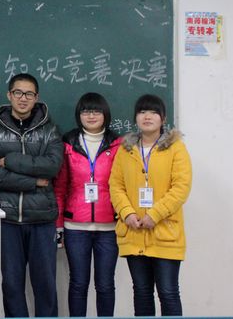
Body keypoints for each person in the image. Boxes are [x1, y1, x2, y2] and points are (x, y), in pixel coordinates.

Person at [0, 73, 63, 317]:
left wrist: (11, 160)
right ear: (9, 95)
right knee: (11, 285)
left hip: (42, 219)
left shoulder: (50, 130)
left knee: (45, 285)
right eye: (18, 92)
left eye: (29, 94)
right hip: (7, 218)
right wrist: (33, 182)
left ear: (36, 98)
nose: (23, 98)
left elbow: (52, 166)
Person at [110, 94, 192, 317]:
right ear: (135, 118)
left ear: (163, 118)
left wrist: (155, 214)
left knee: (168, 292)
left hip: (165, 234)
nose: (147, 116)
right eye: (142, 112)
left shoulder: (176, 148)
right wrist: (127, 213)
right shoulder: (125, 150)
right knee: (142, 292)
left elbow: (181, 188)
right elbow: (115, 185)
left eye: (154, 112)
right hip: (134, 232)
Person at [54, 92, 121, 316]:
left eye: (96, 111)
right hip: (75, 227)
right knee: (78, 284)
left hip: (109, 227)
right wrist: (59, 225)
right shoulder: (69, 143)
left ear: (105, 114)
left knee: (105, 284)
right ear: (79, 115)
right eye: (86, 111)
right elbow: (60, 187)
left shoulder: (118, 144)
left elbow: (123, 185)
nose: (91, 116)